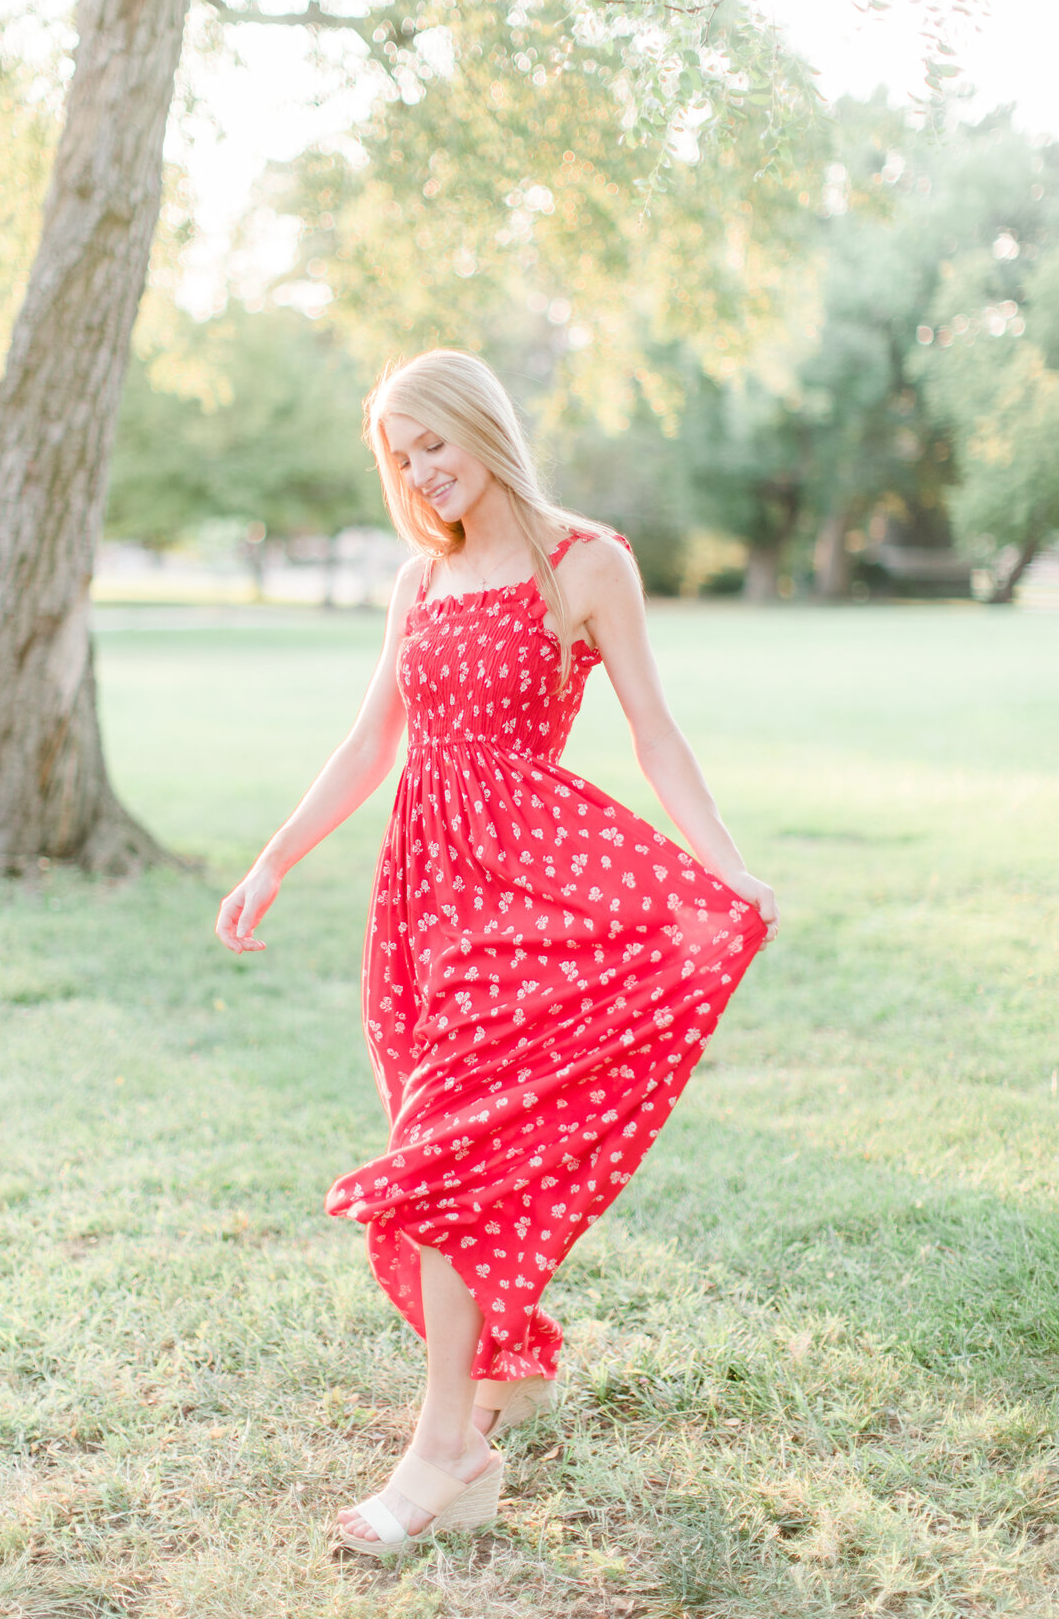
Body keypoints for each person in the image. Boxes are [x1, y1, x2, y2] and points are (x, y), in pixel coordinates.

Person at [215, 348, 778, 1557]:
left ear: (483, 425)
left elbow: (653, 730)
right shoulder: (422, 578)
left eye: (434, 441)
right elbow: (372, 742)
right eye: (400, 453)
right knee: (449, 1132)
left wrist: (724, 866)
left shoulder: (588, 564)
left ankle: (447, 1455)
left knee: (449, 1144)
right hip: (425, 892)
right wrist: (273, 859)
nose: (421, 470)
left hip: (533, 885)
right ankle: (502, 1368)